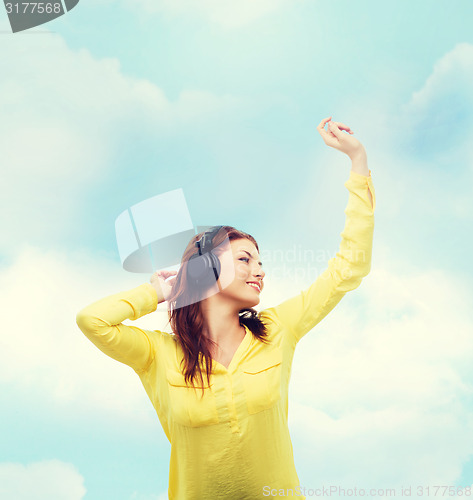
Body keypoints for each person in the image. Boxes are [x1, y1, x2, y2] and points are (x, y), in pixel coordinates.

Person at [76, 116, 376, 500]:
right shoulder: (158, 354)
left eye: (261, 262)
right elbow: (92, 321)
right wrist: (155, 293)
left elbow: (348, 268)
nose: (260, 271)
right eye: (246, 260)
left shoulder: (278, 329)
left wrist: (358, 161)